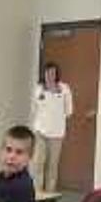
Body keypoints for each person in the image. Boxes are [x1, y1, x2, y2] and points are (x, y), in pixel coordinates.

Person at [31, 62, 74, 193]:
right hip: (41, 131)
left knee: (52, 165)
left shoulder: (64, 88)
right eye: (48, 72)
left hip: (57, 133)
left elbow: (69, 110)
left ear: (57, 74)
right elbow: (34, 109)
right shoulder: (38, 89)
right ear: (44, 74)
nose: (50, 75)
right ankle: (37, 192)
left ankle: (50, 193)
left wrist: (57, 117)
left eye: (53, 73)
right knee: (38, 163)